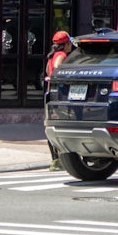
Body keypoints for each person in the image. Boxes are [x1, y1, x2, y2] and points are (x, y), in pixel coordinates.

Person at [45, 30, 73, 171]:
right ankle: (59, 159)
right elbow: (57, 68)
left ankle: (55, 159)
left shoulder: (51, 56)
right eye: (70, 43)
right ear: (66, 44)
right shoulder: (61, 55)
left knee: (51, 126)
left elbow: (47, 71)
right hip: (59, 95)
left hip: (50, 93)